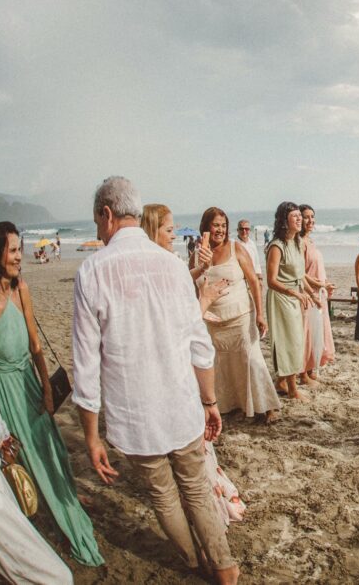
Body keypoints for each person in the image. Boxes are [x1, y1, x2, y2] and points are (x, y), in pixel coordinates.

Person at [71, 176, 238, 583]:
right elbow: (199, 345)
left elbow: (85, 366)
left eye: (96, 221)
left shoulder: (92, 271)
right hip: (180, 402)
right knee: (196, 489)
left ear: (107, 214)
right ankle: (224, 565)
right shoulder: (173, 266)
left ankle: (195, 562)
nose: (98, 229)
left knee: (164, 496)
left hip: (135, 415)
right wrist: (210, 401)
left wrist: (91, 437)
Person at [0, 221, 105, 567]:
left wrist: (47, 388)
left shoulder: (23, 289)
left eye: (20, 249)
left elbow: (35, 346)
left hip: (30, 385)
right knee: (26, 457)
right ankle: (45, 516)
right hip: (4, 393)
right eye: (14, 250)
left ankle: (66, 500)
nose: (20, 256)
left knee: (52, 448)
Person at [141, 203, 246, 527]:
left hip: (167, 366)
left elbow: (179, 291)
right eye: (169, 229)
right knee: (192, 443)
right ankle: (204, 502)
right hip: (177, 367)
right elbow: (178, 324)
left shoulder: (156, 265)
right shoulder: (159, 267)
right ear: (153, 231)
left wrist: (199, 272)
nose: (174, 234)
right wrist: (206, 299)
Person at [0, 335, 74, 585]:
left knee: (8, 536)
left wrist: (2, 438)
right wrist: (1, 437)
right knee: (11, 530)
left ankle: (55, 579)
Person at [191, 208, 281, 422]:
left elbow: (254, 282)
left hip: (241, 316)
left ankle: (267, 407)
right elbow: (192, 288)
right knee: (223, 365)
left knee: (251, 359)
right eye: (216, 225)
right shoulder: (196, 256)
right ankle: (233, 405)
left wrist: (260, 315)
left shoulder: (236, 248)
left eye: (223, 225)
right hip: (213, 322)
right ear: (206, 227)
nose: (220, 230)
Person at [265, 201, 311, 400]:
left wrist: (310, 292)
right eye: (295, 216)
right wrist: (294, 293)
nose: (300, 219)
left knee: (296, 340)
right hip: (281, 297)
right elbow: (271, 281)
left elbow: (300, 274)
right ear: (284, 220)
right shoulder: (277, 246)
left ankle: (281, 382)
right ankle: (292, 390)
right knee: (288, 342)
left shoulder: (298, 242)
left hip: (294, 296)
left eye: (300, 215)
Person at [300, 205, 336, 377]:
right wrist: (320, 285)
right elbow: (300, 273)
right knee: (307, 332)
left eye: (312, 216)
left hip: (319, 292)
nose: (310, 220)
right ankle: (304, 372)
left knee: (317, 332)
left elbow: (317, 268)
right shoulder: (299, 243)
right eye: (306, 217)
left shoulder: (310, 241)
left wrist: (325, 283)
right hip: (309, 293)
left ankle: (311, 367)